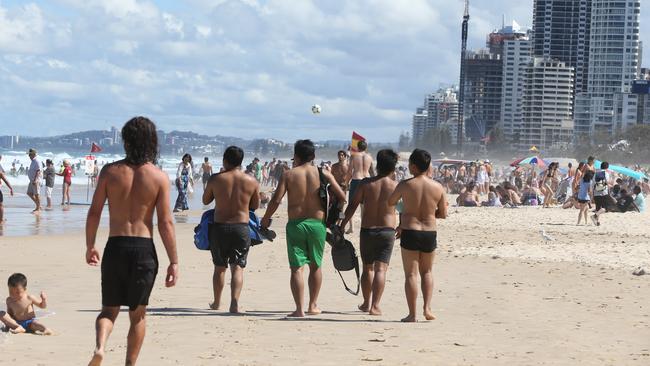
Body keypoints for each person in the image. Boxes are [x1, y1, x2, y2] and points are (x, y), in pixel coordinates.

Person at [85, 117, 179, 366]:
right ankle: (129, 364)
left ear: (126, 141)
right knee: (138, 316)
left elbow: (94, 212)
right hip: (143, 249)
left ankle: (100, 346)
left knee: (108, 310)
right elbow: (165, 223)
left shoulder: (110, 172)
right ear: (152, 142)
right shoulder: (159, 177)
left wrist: (90, 245)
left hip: (115, 247)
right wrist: (174, 261)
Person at [261, 140, 345, 318]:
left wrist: (266, 218)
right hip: (318, 225)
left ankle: (299, 309)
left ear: (296, 156)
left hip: (296, 225)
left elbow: (276, 200)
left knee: (297, 268)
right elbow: (342, 196)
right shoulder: (324, 173)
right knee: (316, 266)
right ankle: (313, 306)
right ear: (313, 156)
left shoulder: (289, 175)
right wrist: (334, 215)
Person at [388, 149, 447, 322]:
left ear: (413, 166)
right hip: (429, 231)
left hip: (410, 230)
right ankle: (427, 308)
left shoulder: (406, 185)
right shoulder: (438, 187)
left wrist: (406, 209)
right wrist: (429, 214)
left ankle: (412, 314)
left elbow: (390, 202)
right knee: (427, 271)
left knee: (411, 274)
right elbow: (443, 213)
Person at [339, 149, 398, 316]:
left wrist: (343, 224)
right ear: (393, 167)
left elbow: (352, 206)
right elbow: (404, 209)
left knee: (368, 268)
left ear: (377, 165)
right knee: (381, 269)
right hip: (387, 231)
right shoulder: (395, 186)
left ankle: (366, 303)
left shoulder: (365, 184)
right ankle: (376, 306)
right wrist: (401, 227)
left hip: (368, 231)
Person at [203, 146, 260, 314]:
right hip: (241, 228)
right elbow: (255, 206)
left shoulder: (215, 179)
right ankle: (234, 303)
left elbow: (206, 200)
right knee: (237, 267)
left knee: (219, 267)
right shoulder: (251, 181)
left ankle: (217, 302)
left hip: (219, 227)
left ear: (225, 160)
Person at [345, 141, 374, 234]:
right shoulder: (369, 157)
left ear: (357, 147)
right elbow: (372, 172)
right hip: (367, 180)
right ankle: (363, 227)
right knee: (364, 206)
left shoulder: (354, 156)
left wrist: (346, 183)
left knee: (352, 205)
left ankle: (351, 228)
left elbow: (350, 171)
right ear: (366, 148)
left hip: (356, 180)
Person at [592, 161, 611, 226]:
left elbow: (593, 183)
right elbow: (607, 182)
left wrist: (592, 193)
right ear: (607, 167)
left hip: (596, 192)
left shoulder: (596, 173)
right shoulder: (606, 173)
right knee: (606, 208)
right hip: (603, 192)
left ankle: (597, 222)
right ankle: (595, 216)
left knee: (598, 208)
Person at [26, 148, 42, 213]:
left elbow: (38, 171)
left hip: (36, 180)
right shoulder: (33, 161)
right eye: (29, 154)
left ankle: (38, 208)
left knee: (36, 194)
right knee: (29, 193)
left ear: (33, 154)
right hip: (32, 180)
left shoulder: (37, 161)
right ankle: (38, 205)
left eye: (30, 154)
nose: (29, 156)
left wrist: (35, 180)